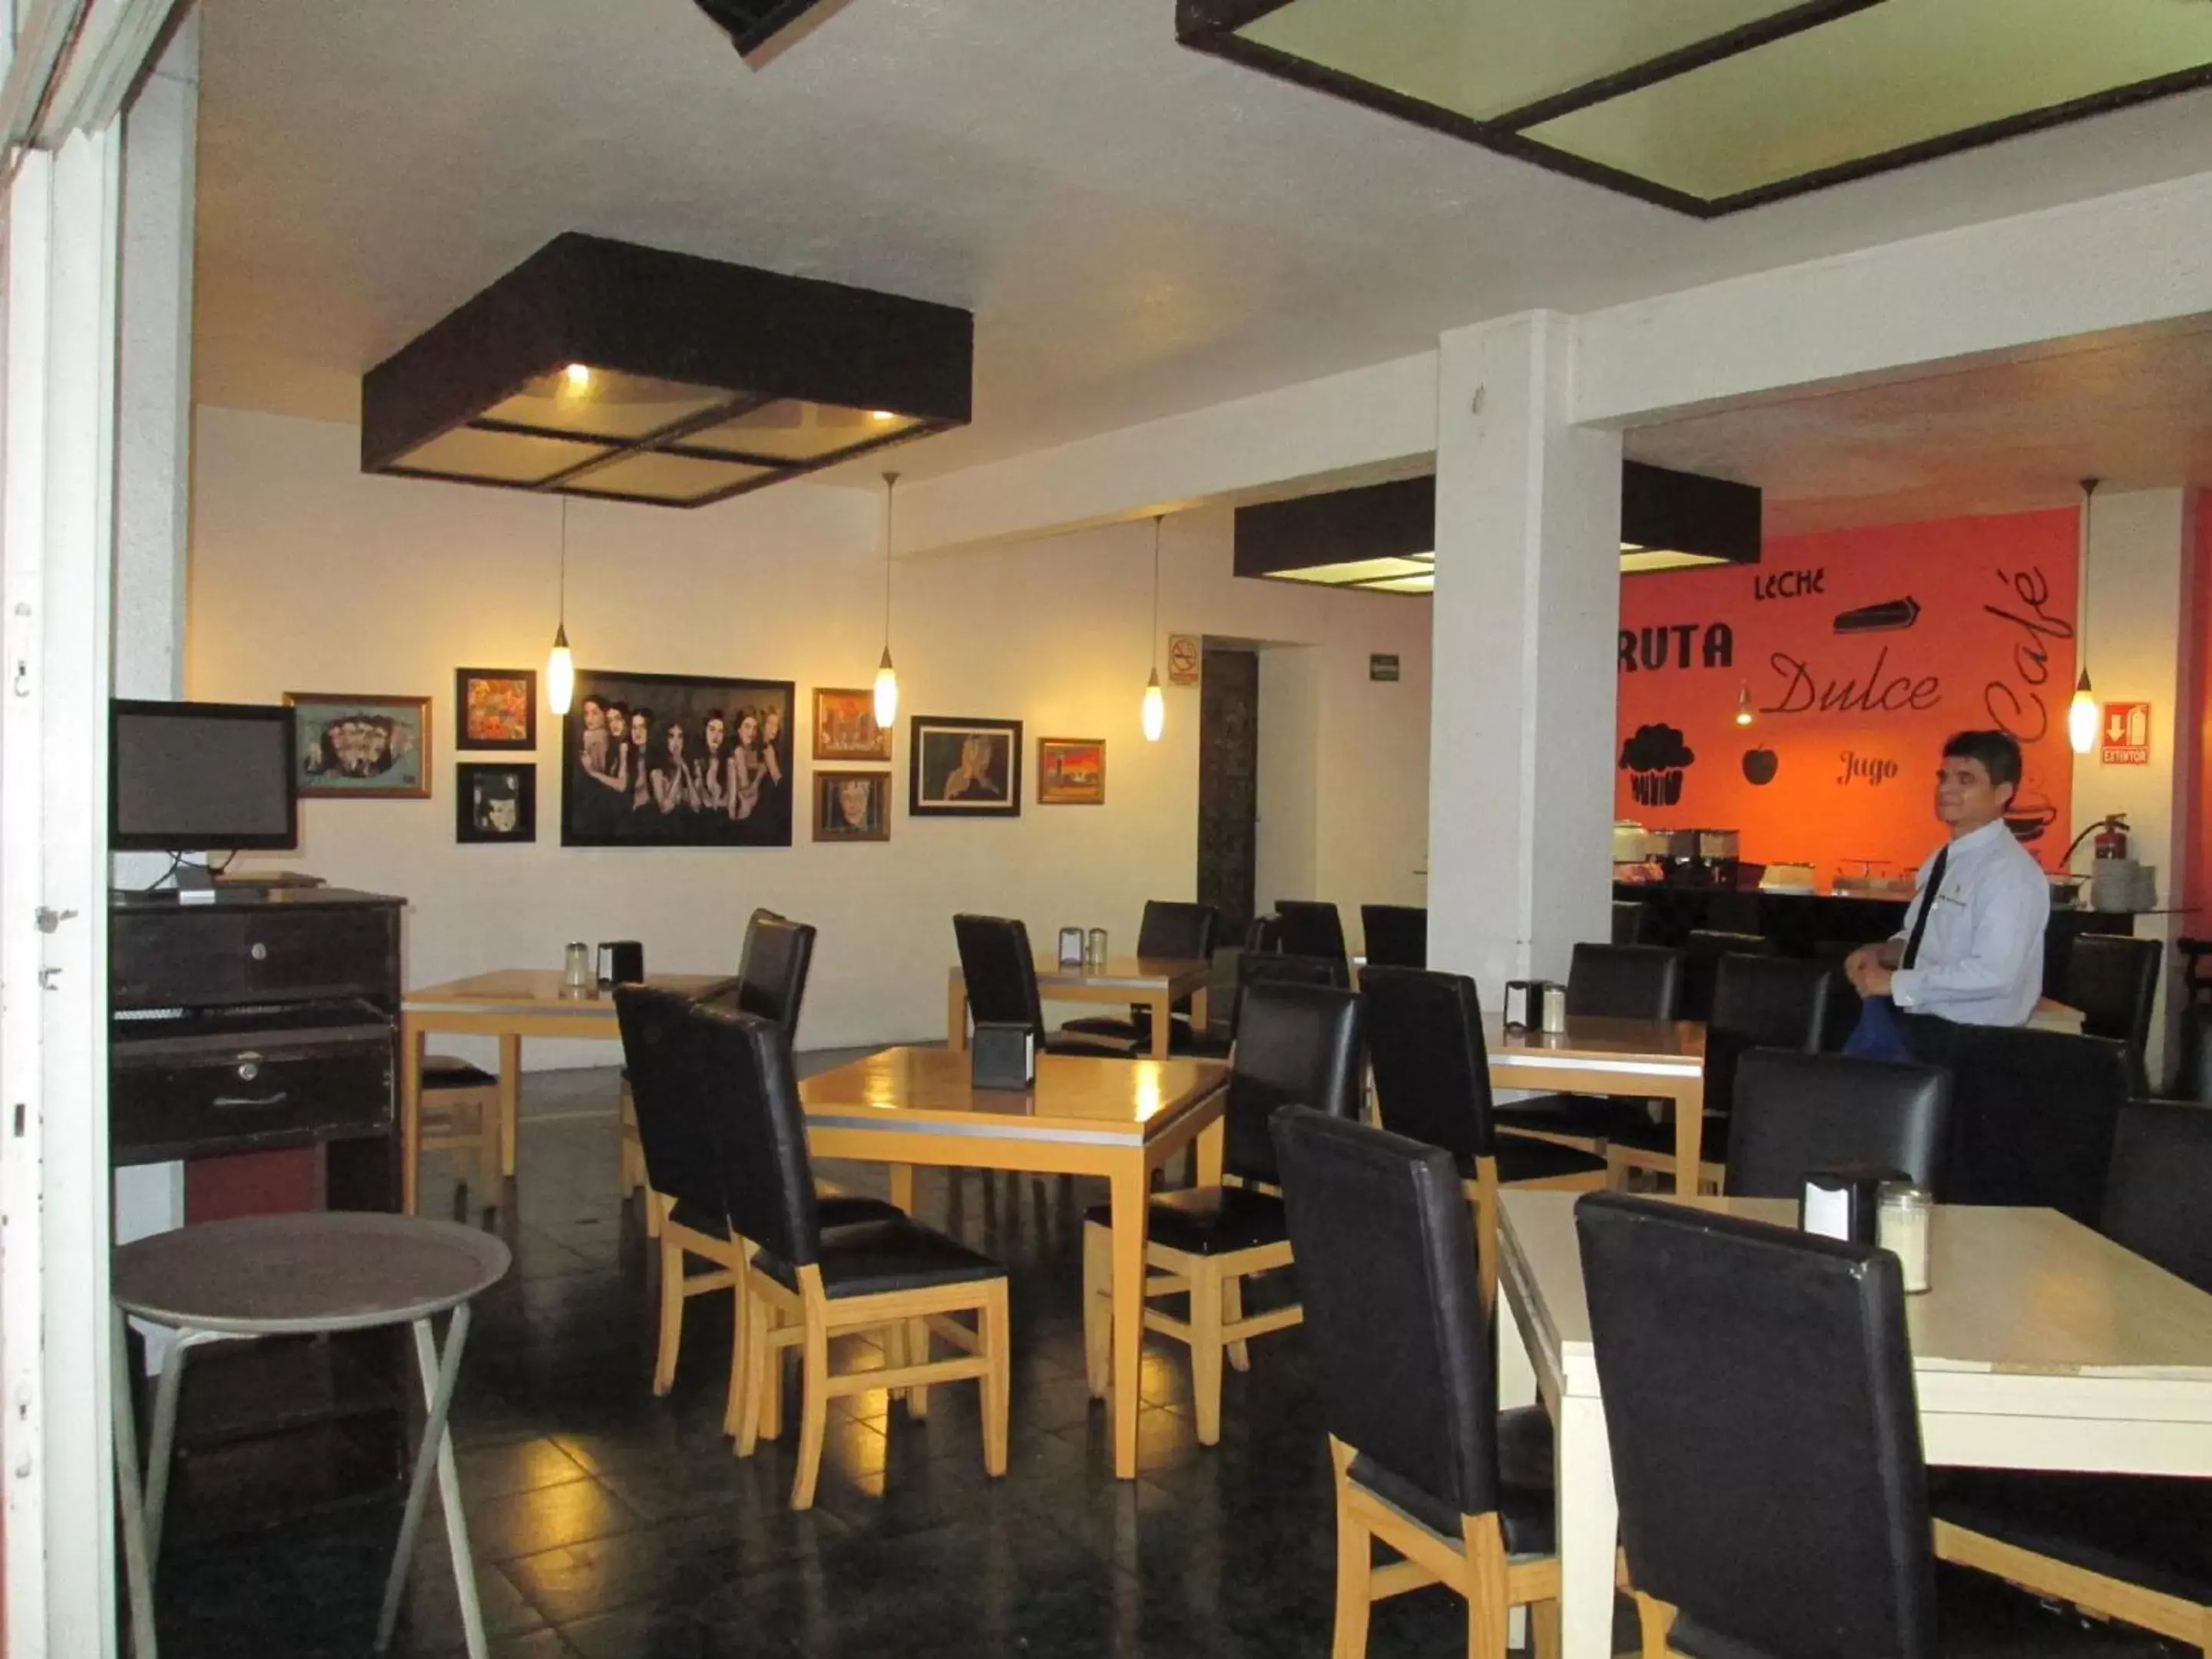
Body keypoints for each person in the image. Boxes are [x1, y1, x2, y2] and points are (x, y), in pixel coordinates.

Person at [1843, 729, 2051, 1058]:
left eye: (1965, 779)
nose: (1946, 789)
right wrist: (1881, 952)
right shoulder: (1942, 858)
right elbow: (1922, 939)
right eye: (1944, 776)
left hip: (1972, 1045)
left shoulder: (2011, 873)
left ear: (2003, 793)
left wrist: (1895, 984)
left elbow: (1995, 975)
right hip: (1921, 1028)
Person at [651, 719, 699, 816]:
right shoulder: (657, 772)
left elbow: (696, 807)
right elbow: (666, 808)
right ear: (665, 739)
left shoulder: (693, 768)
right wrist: (678, 772)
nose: (676, 742)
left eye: (680, 737)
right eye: (672, 737)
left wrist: (686, 771)